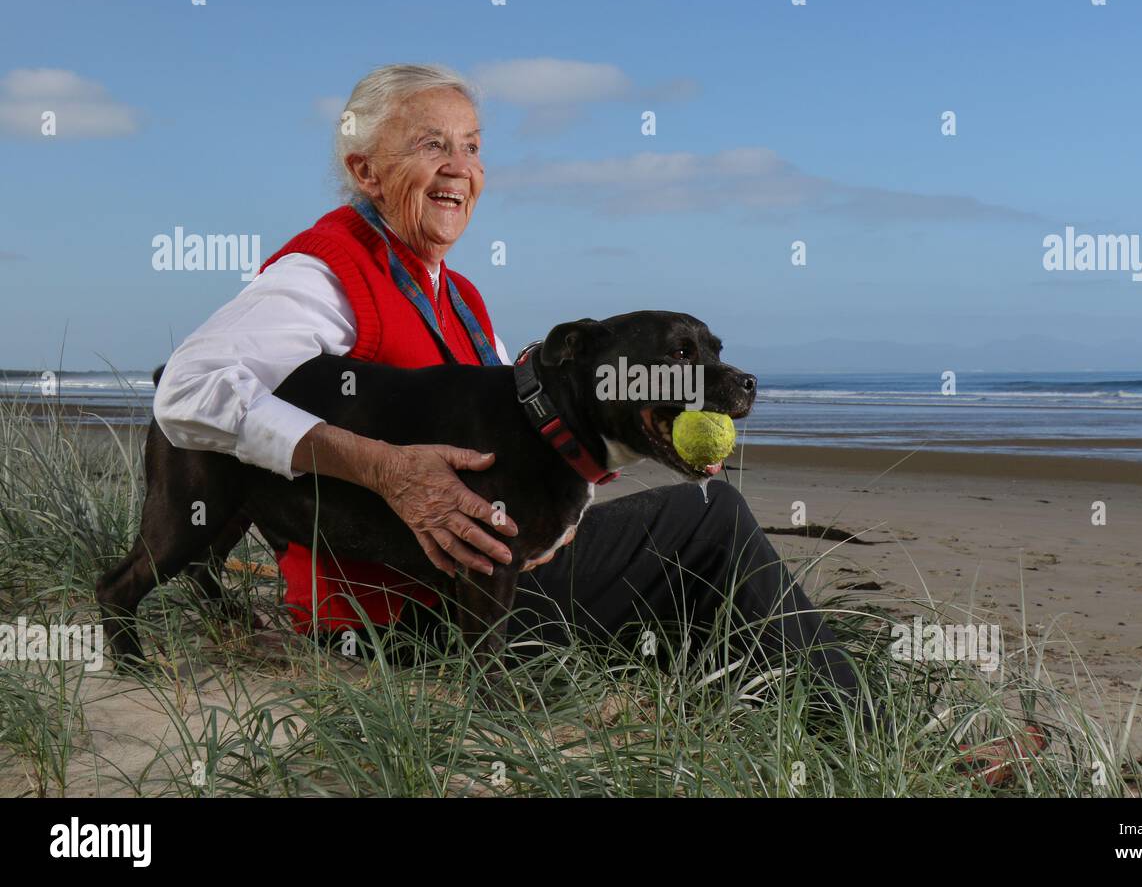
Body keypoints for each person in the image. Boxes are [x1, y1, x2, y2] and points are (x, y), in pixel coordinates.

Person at [153, 63, 865, 722]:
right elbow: (186, 389)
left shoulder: (461, 299)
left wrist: (581, 495)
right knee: (710, 520)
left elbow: (534, 444)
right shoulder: (322, 276)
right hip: (403, 618)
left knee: (690, 573)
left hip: (486, 585)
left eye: (471, 146)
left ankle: (782, 719)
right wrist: (385, 469)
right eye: (432, 146)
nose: (459, 167)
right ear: (364, 170)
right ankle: (864, 732)